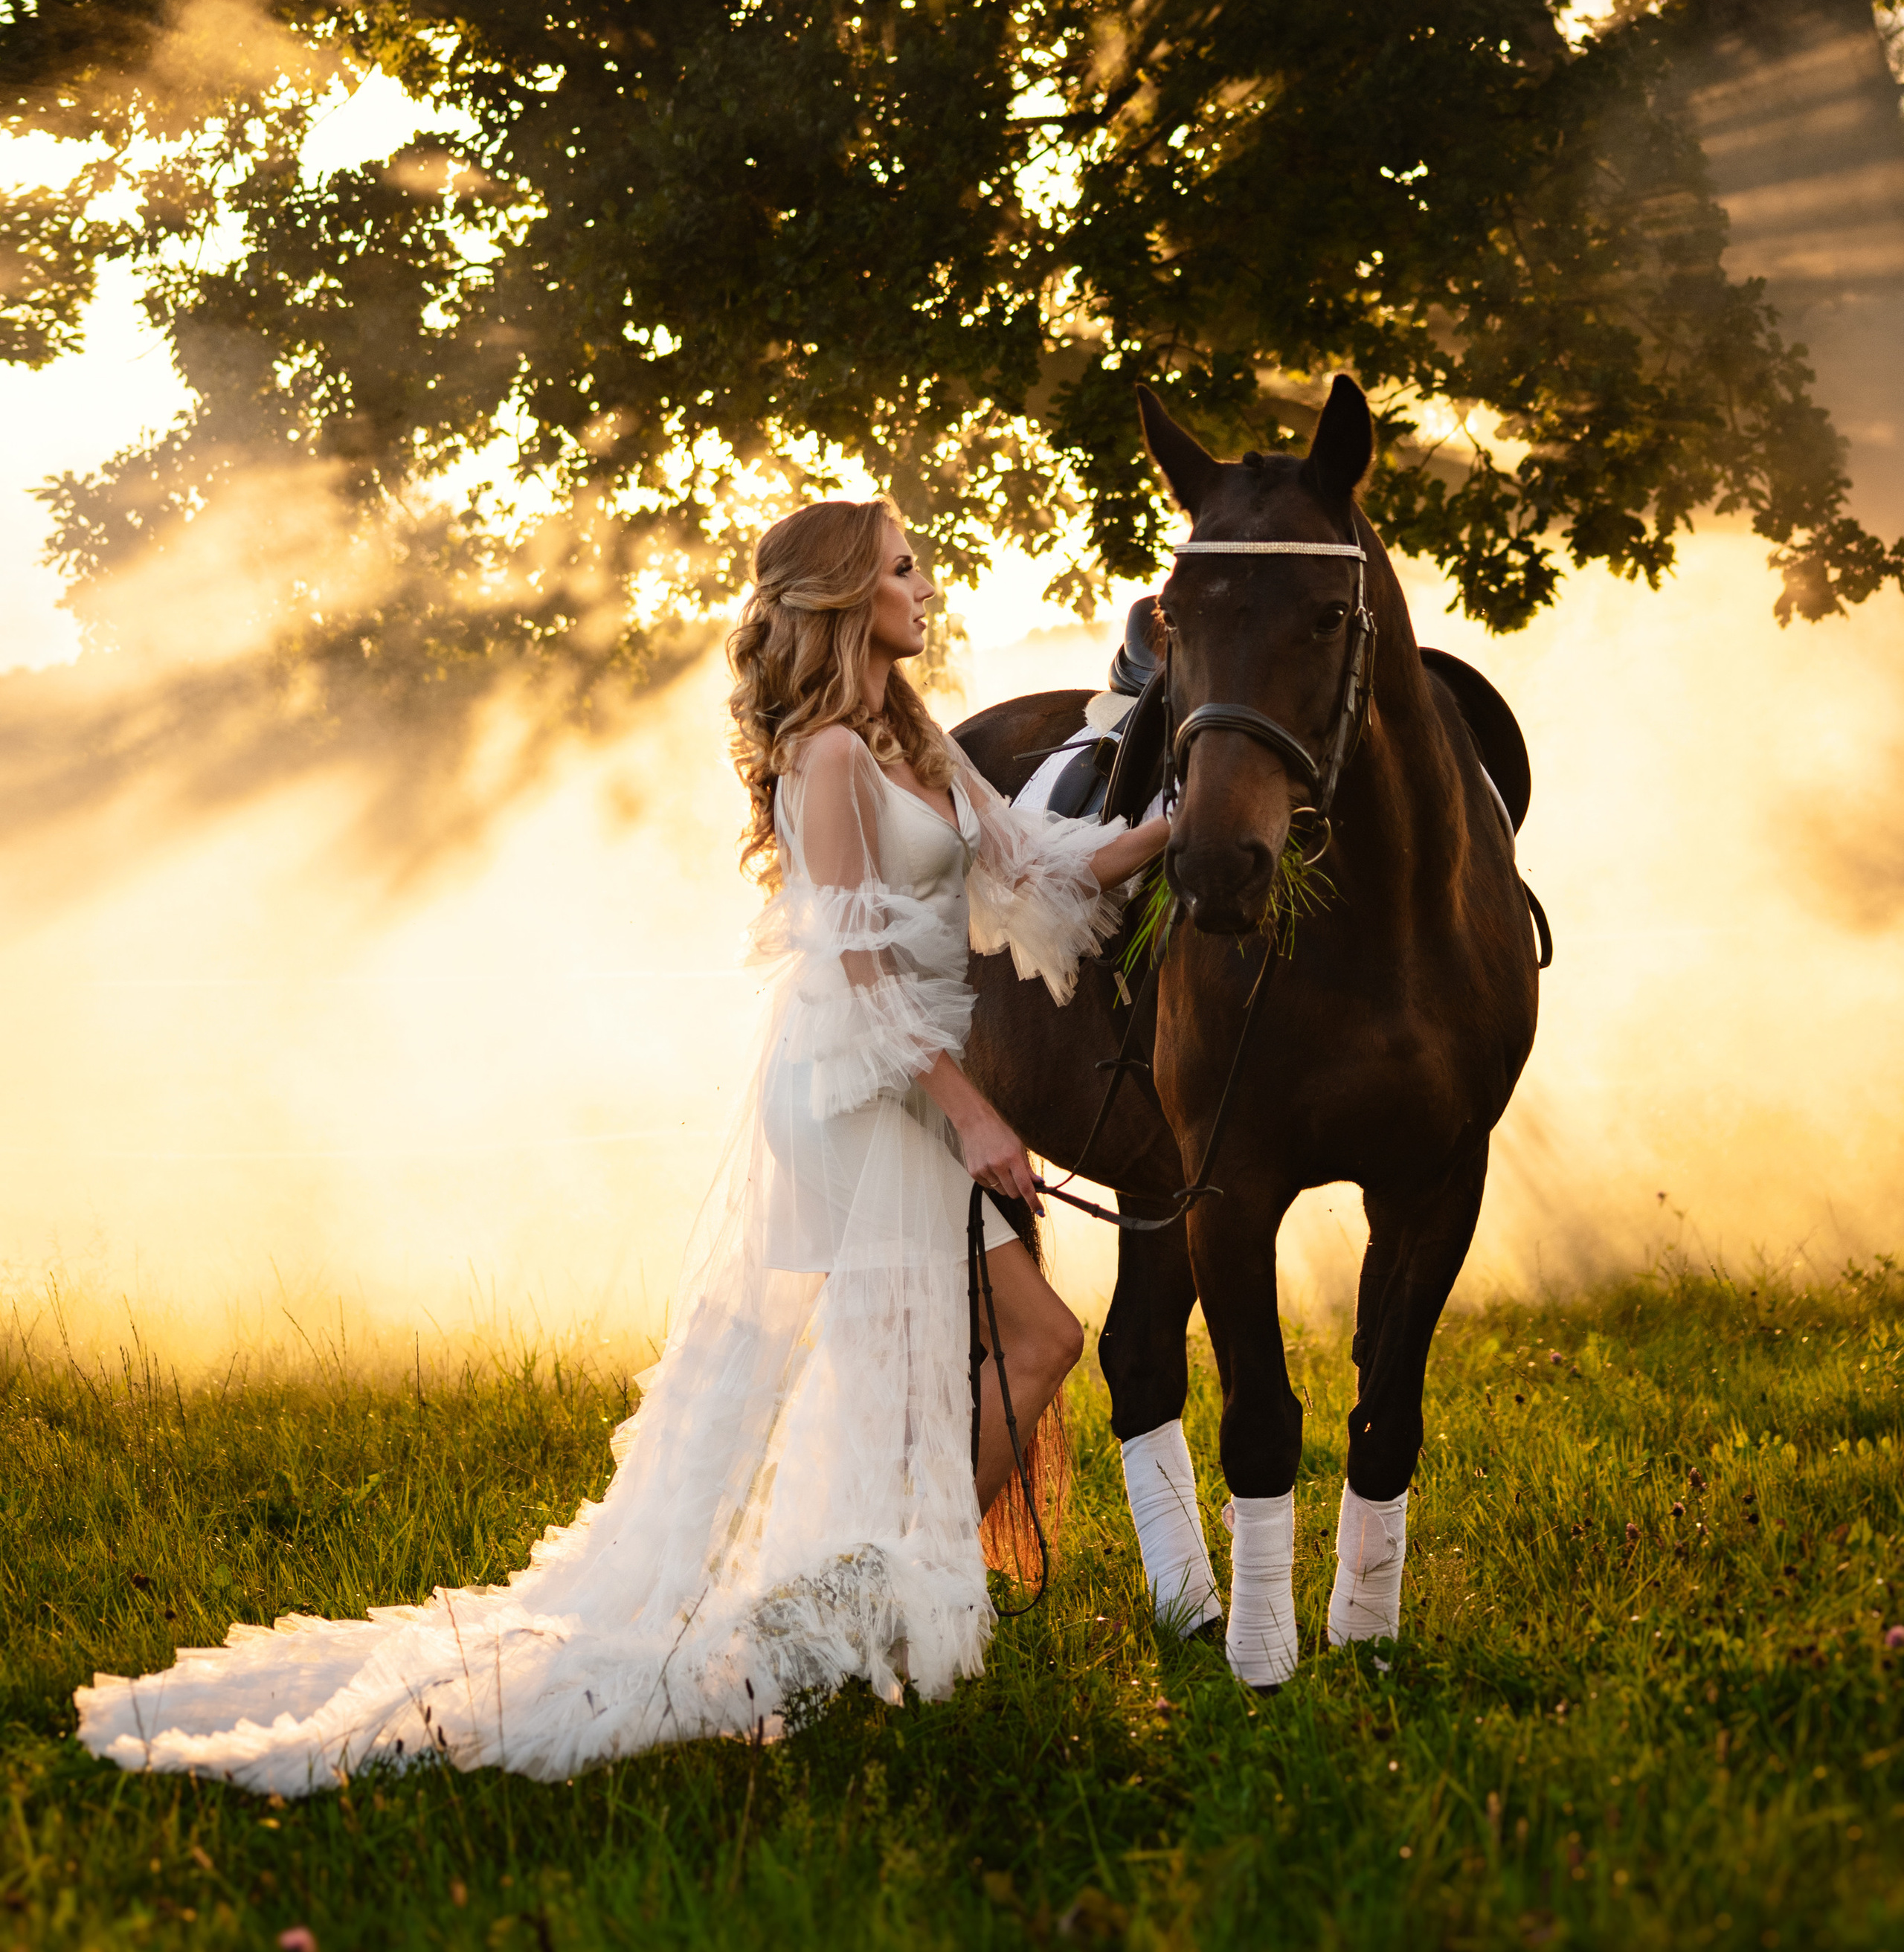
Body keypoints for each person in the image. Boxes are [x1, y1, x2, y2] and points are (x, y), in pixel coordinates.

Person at [76, 499, 1170, 1794]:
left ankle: (856, 1610)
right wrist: (977, 1109)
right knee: (1008, 1342)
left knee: (997, 1347)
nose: (924, 583)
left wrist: (1178, 829)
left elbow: (1034, 867)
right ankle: (855, 1619)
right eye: (900, 566)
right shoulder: (825, 758)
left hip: (916, 1091)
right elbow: (859, 972)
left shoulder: (917, 736)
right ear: (841, 598)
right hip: (862, 1092)